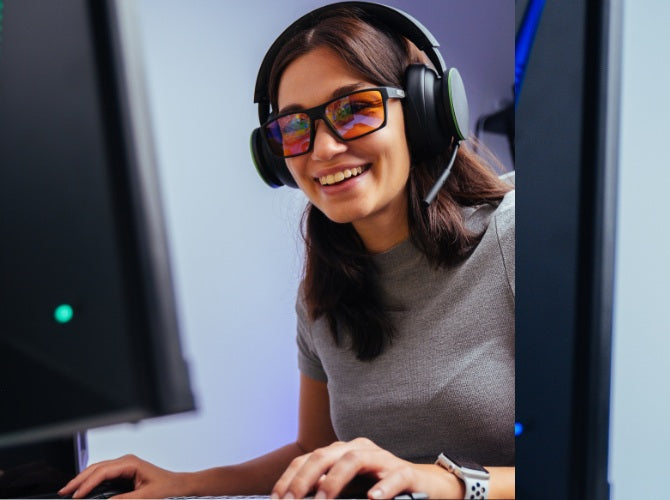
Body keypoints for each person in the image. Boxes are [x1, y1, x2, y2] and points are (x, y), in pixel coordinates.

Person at [60, 2, 514, 499]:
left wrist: (446, 483)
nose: (322, 150)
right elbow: (312, 450)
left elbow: (597, 449)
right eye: (295, 127)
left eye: (355, 109)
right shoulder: (324, 294)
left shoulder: (515, 237)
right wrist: (183, 483)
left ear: (426, 112)